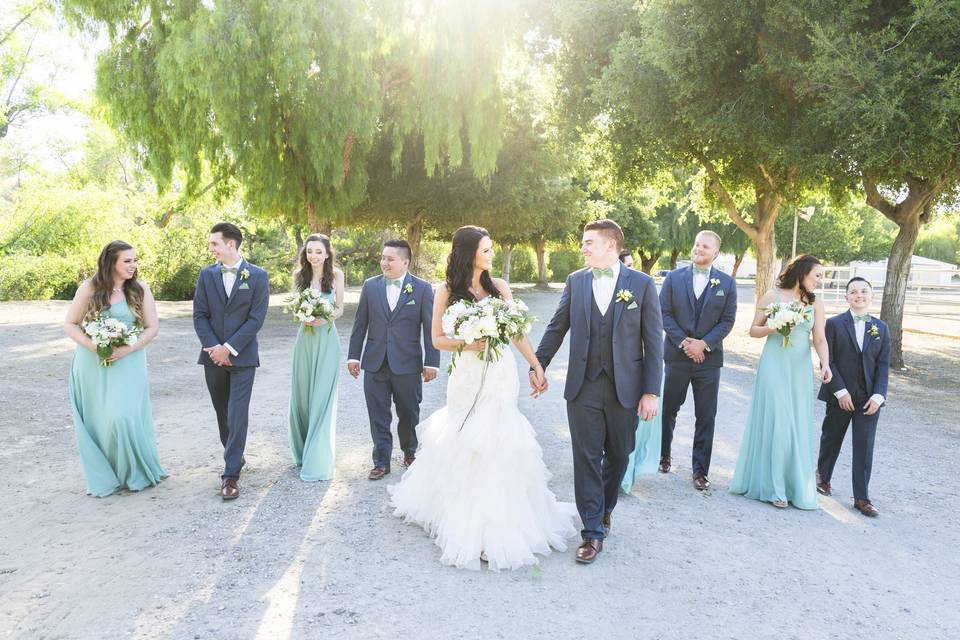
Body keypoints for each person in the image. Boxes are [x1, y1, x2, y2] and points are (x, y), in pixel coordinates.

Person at [388, 226, 578, 571]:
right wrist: (466, 342)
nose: (491, 256)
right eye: (486, 250)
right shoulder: (445, 290)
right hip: (466, 374)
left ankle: (499, 522)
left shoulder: (500, 287)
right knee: (467, 440)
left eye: (491, 250)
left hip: (500, 374)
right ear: (469, 253)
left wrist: (537, 366)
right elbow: (436, 339)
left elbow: (517, 334)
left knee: (498, 439)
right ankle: (464, 519)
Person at [535, 219, 663, 564]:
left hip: (626, 388)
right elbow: (557, 326)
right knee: (587, 457)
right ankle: (592, 531)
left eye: (589, 242)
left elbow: (653, 342)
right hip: (583, 385)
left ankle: (604, 508)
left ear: (611, 245)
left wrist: (651, 391)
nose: (583, 248)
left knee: (619, 455)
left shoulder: (642, 284)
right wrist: (539, 363)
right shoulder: (576, 282)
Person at [64, 240, 167, 496]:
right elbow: (70, 324)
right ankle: (107, 475)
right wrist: (94, 346)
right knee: (100, 421)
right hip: (92, 363)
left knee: (121, 417)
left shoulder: (140, 289)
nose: (133, 266)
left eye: (135, 260)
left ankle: (133, 471)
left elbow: (152, 328)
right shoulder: (89, 288)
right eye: (127, 261)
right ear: (111, 263)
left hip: (129, 362)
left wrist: (126, 350)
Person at [730, 255, 832, 510]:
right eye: (817, 275)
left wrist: (826, 364)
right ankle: (774, 487)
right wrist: (774, 327)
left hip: (799, 368)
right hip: (774, 364)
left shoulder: (816, 302)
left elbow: (819, 337)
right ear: (802, 272)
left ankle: (793, 486)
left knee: (795, 423)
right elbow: (753, 330)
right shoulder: (772, 296)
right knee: (778, 421)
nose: (820, 281)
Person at [347, 240, 439, 480]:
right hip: (375, 362)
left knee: (409, 412)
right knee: (377, 414)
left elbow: (430, 328)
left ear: (405, 262)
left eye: (390, 259)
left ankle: (409, 452)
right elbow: (360, 325)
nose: (384, 263)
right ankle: (381, 461)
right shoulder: (370, 286)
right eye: (383, 257)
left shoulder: (422, 288)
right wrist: (353, 356)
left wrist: (432, 362)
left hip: (408, 364)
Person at [192, 222, 270, 500]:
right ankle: (235, 455)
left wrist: (229, 347)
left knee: (238, 414)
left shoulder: (258, 276)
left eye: (214, 243)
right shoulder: (206, 275)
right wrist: (214, 347)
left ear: (231, 245)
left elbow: (256, 319)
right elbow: (200, 315)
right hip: (212, 356)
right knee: (222, 414)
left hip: (244, 357)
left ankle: (230, 475)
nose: (210, 248)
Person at [658, 230, 738, 490]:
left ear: (715, 253)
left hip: (709, 360)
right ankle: (664, 455)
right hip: (676, 357)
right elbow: (664, 313)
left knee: (706, 415)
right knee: (669, 409)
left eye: (705, 246)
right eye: (696, 244)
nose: (698, 249)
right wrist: (684, 342)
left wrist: (704, 344)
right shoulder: (673, 278)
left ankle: (700, 470)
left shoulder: (727, 283)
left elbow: (727, 320)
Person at [816, 277, 890, 517]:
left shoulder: (881, 327)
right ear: (846, 297)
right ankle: (823, 478)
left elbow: (883, 365)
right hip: (840, 395)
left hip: (868, 399)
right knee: (831, 438)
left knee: (864, 446)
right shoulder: (834, 324)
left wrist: (878, 396)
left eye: (864, 292)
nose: (859, 295)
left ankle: (862, 497)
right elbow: (828, 360)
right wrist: (840, 391)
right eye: (854, 292)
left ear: (871, 296)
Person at [288, 234, 345, 482]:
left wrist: (325, 317)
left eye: (318, 251)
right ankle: (302, 451)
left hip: (327, 339)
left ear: (327, 254)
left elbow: (340, 308)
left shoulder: (336, 276)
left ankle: (318, 458)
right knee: (302, 396)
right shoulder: (300, 276)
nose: (313, 256)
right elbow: (295, 306)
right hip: (306, 340)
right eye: (310, 251)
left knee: (322, 395)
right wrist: (303, 316)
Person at [616, 247, 663, 493]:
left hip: (636, 376)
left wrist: (651, 390)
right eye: (628, 264)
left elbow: (654, 337)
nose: (630, 269)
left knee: (629, 435)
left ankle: (624, 474)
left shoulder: (643, 287)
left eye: (633, 264)